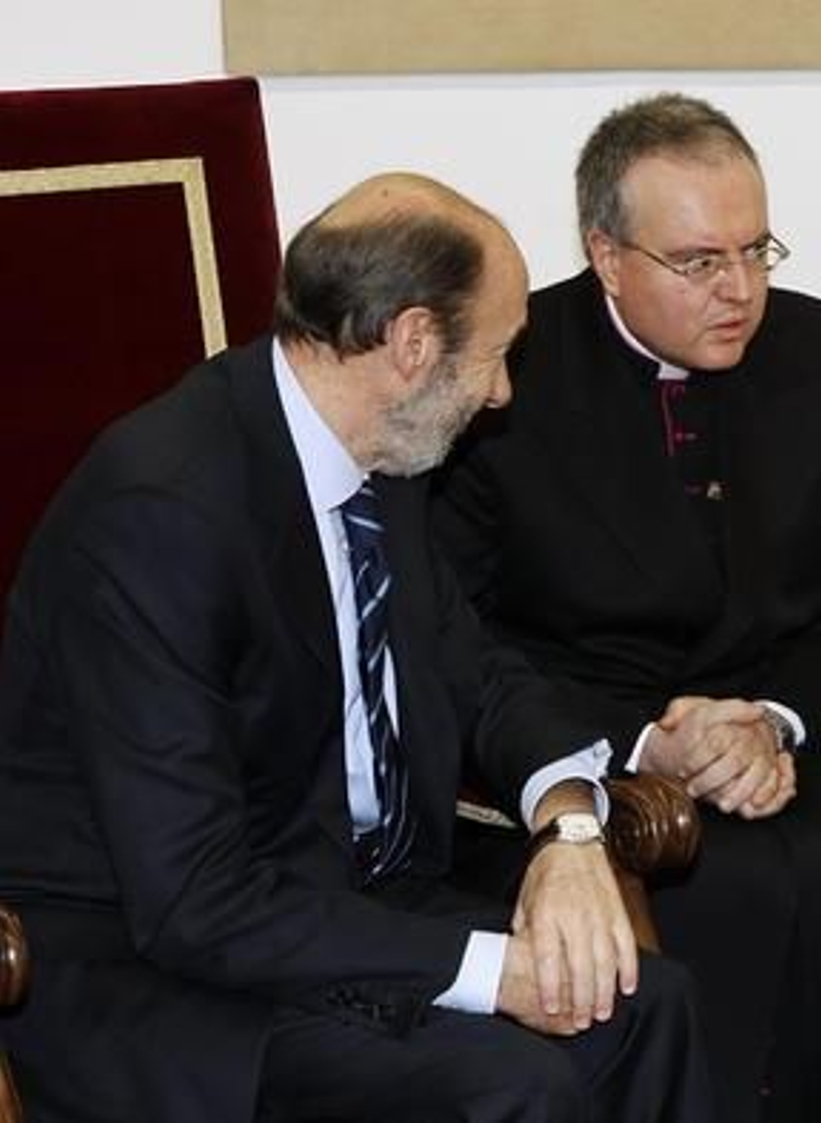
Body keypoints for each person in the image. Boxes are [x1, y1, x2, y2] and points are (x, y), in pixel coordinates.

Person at [0, 173, 711, 1123]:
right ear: (413, 343)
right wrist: (493, 972)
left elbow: (483, 676)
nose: (500, 394)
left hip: (328, 904)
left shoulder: (382, 455)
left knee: (645, 1003)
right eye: (496, 357)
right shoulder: (160, 511)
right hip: (155, 976)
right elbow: (194, 899)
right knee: (513, 1086)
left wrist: (571, 824)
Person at [432, 93, 821, 1123]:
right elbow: (454, 633)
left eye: (758, 251)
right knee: (718, 891)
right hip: (587, 750)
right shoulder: (505, 374)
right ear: (606, 252)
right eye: (700, 261)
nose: (741, 289)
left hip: (774, 739)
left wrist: (775, 720)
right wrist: (636, 739)